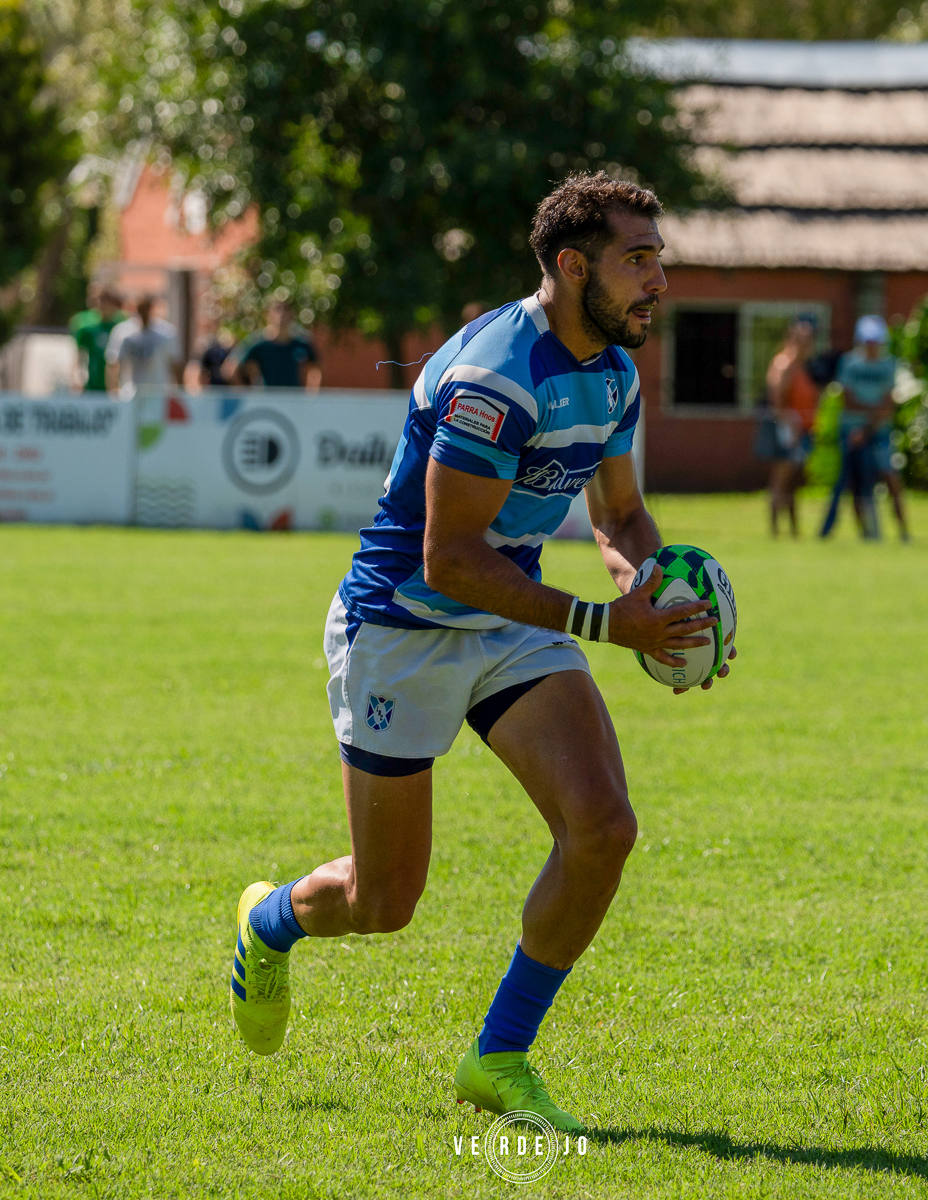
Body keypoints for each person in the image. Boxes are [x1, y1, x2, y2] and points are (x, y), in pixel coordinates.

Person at [227, 174, 734, 1134]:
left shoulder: (615, 371)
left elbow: (619, 514)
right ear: (571, 265)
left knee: (604, 828)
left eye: (658, 256)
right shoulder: (497, 379)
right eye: (639, 258)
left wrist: (659, 604)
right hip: (404, 627)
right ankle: (269, 921)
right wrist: (598, 623)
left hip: (510, 621)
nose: (659, 278)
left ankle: (498, 1056)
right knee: (384, 903)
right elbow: (449, 558)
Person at [823, 315, 909, 540]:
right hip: (850, 433)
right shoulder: (849, 363)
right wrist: (869, 417)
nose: (872, 346)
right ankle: (866, 533)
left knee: (890, 476)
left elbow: (888, 404)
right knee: (855, 483)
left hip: (878, 432)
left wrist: (868, 427)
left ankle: (903, 531)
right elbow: (847, 398)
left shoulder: (889, 364)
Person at [758, 315, 819, 537]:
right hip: (786, 430)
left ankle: (793, 530)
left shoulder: (801, 366)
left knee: (793, 482)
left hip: (800, 430)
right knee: (780, 481)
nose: (806, 343)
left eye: (809, 339)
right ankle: (775, 530)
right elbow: (777, 400)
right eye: (801, 338)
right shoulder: (784, 363)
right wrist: (790, 429)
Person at [225, 299, 321, 390]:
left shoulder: (301, 343)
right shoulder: (258, 343)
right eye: (277, 309)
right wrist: (244, 395)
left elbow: (316, 368)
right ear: (267, 314)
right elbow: (230, 369)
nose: (282, 314)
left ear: (292, 315)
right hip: (267, 399)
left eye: (286, 310)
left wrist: (311, 394)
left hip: (293, 399)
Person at [105, 295, 178, 398]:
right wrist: (113, 389)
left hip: (159, 392)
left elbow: (175, 363)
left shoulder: (166, 333)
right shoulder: (123, 332)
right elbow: (114, 363)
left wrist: (177, 389)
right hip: (130, 392)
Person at [69, 286, 126, 394]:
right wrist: (77, 379)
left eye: (107, 301)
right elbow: (80, 355)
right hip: (92, 384)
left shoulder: (121, 327)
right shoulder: (87, 327)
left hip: (116, 387)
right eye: (101, 301)